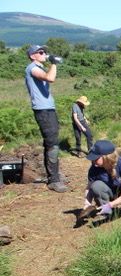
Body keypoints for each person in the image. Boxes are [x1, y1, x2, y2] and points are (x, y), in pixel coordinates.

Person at [24, 44, 68, 193]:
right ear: (32, 56)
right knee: (52, 144)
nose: (44, 54)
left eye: (44, 52)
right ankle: (54, 180)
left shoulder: (40, 67)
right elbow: (50, 78)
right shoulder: (32, 68)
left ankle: (54, 175)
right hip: (42, 111)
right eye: (40, 52)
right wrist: (54, 63)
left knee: (51, 142)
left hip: (48, 109)